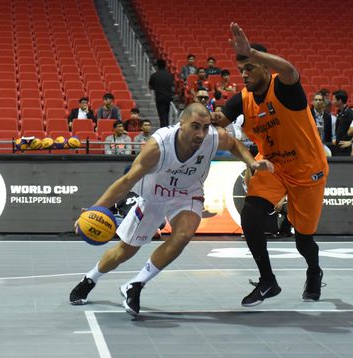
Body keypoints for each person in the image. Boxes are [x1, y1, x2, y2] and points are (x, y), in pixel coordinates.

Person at [69, 103, 273, 316]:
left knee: (184, 235)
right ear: (181, 124)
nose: (201, 133)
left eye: (204, 127)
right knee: (125, 251)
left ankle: (136, 284)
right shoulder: (159, 146)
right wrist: (94, 208)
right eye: (195, 126)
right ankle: (90, 278)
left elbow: (234, 144)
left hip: (187, 194)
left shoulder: (213, 137)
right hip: (153, 196)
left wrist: (251, 162)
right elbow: (126, 181)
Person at [211, 23, 328, 306]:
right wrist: (208, 119)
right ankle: (268, 281)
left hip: (307, 169)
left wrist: (250, 51)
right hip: (272, 167)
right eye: (242, 71)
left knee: (303, 240)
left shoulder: (284, 87)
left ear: (265, 67)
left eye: (250, 68)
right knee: (250, 216)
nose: (245, 75)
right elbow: (221, 121)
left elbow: (290, 70)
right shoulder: (243, 98)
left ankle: (314, 271)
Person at [148, 59, 174, 128]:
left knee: (162, 116)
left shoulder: (154, 75)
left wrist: (157, 87)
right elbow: (172, 85)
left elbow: (150, 86)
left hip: (159, 98)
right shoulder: (169, 75)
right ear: (165, 65)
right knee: (166, 115)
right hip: (168, 98)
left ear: (157, 66)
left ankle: (164, 130)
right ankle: (166, 129)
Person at [331, 89, 353, 156]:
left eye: (333, 99)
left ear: (339, 101)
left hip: (346, 149)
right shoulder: (340, 112)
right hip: (338, 147)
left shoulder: (350, 114)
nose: (332, 101)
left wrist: (351, 142)